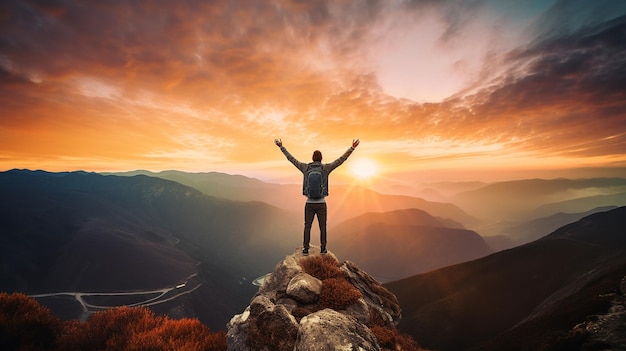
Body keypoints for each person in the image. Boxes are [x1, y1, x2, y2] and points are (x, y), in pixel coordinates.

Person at [275, 138, 359, 255]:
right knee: (322, 227)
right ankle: (323, 249)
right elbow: (341, 160)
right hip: (321, 203)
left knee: (307, 226)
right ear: (321, 159)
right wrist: (352, 148)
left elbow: (291, 159)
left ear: (312, 158)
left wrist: (281, 147)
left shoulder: (306, 168)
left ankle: (305, 249)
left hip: (309, 203)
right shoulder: (325, 168)